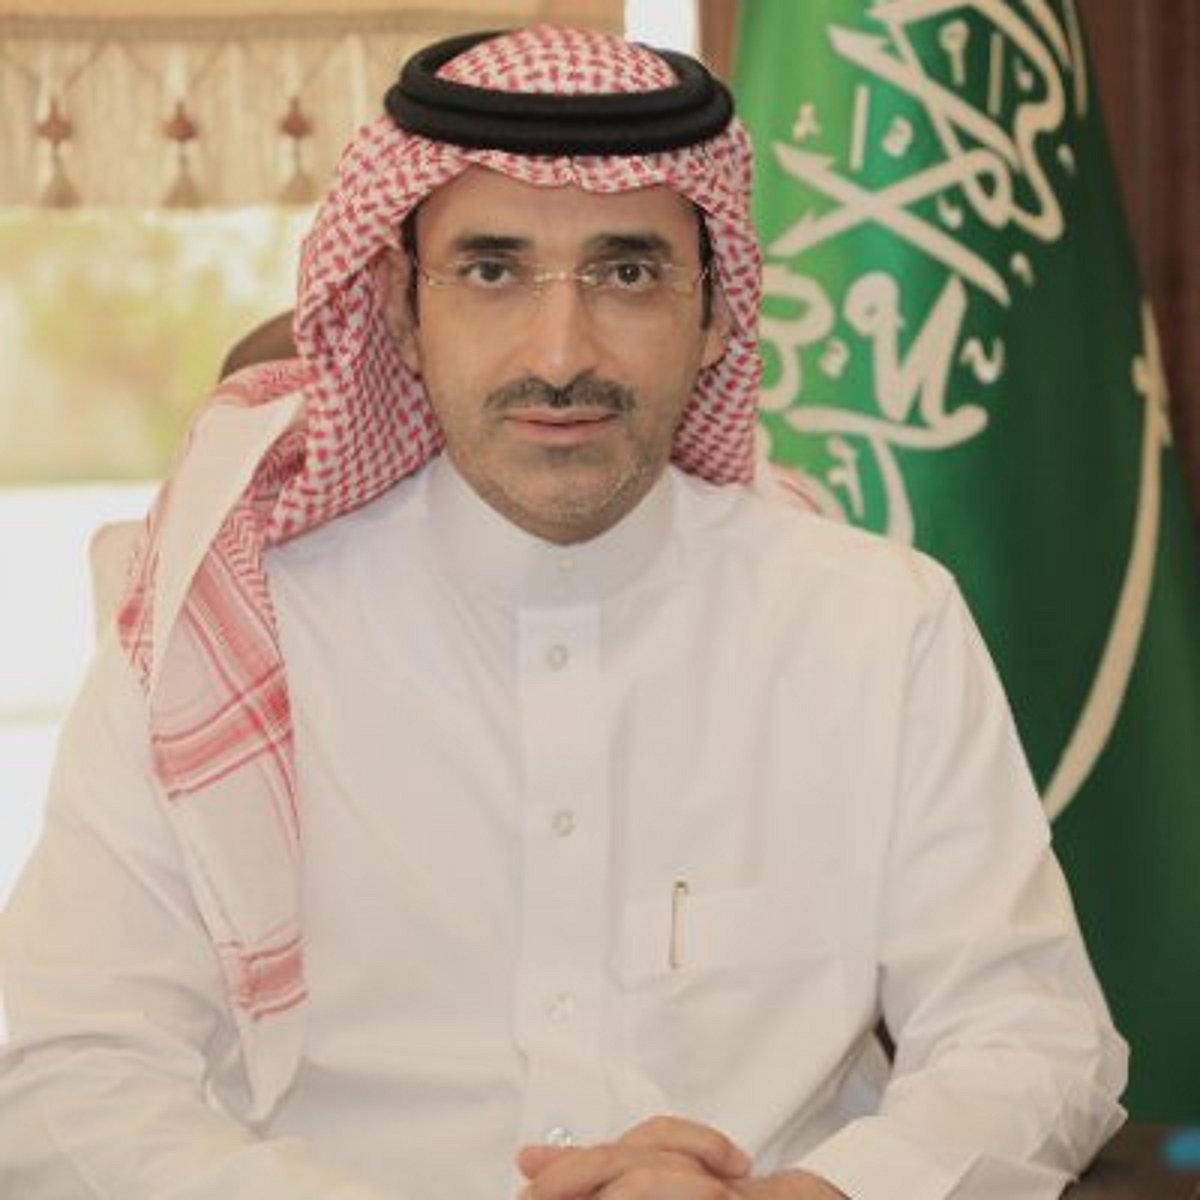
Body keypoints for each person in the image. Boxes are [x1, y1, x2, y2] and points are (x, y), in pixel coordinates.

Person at [0, 24, 1126, 1200]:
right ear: (400, 309)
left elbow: (1034, 1033)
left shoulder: (875, 624)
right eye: (492, 272)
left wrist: (811, 1198)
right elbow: (75, 1080)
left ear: (716, 314)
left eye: (627, 273)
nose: (559, 351)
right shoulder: (222, 633)